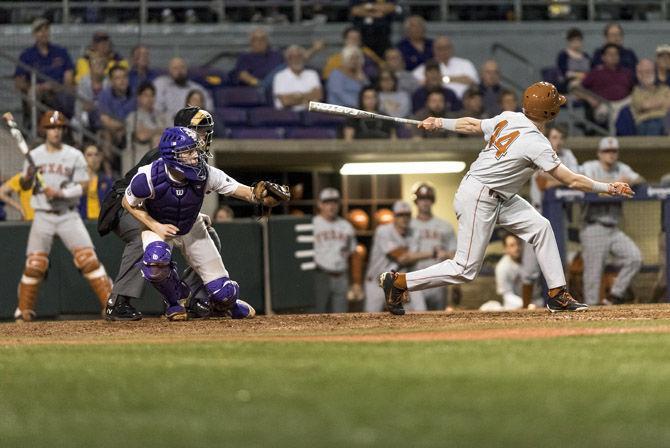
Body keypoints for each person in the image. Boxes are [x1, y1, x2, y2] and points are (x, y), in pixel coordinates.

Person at [378, 81, 635, 316]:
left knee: (541, 226)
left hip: (497, 195)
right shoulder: (538, 143)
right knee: (465, 269)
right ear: (550, 113)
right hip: (480, 196)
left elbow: (471, 124)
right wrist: (607, 187)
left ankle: (558, 294)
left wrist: (440, 121)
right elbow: (571, 180)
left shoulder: (509, 117)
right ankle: (399, 282)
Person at [121, 126, 287, 320]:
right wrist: (154, 225)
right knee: (155, 261)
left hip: (192, 225)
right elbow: (128, 202)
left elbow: (243, 191)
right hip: (158, 224)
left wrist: (262, 197)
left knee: (224, 293)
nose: (195, 156)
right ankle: (175, 301)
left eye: (194, 150)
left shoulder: (205, 173)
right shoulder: (148, 176)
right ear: (172, 156)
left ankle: (228, 304)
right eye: (188, 151)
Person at [100, 106, 223, 321]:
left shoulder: (194, 159)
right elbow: (148, 198)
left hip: (154, 209)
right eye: (200, 130)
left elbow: (180, 198)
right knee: (144, 234)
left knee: (206, 234)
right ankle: (118, 301)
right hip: (126, 205)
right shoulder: (167, 154)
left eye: (205, 130)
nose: (204, 135)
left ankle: (189, 297)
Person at [4, 110, 113, 322]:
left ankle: (110, 304)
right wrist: (27, 176)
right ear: (45, 130)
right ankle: (24, 311)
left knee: (88, 260)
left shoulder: (74, 155)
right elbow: (26, 185)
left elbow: (82, 186)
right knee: (35, 264)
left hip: (67, 214)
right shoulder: (34, 156)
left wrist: (60, 193)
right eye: (51, 128)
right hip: (43, 215)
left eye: (59, 127)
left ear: (63, 130)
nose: (55, 132)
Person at [579, 137, 644, 306]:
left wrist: (629, 181)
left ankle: (615, 295)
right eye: (607, 151)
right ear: (599, 153)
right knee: (593, 274)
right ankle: (591, 310)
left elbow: (640, 180)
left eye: (614, 151)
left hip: (613, 229)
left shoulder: (621, 168)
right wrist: (613, 186)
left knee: (634, 257)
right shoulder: (590, 166)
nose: (611, 154)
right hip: (593, 226)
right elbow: (579, 182)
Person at [521, 123, 580, 308]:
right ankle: (525, 307)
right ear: (548, 137)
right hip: (536, 213)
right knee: (529, 269)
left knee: (560, 262)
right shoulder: (539, 150)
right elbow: (541, 184)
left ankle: (561, 301)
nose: (558, 142)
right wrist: (564, 180)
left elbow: (576, 180)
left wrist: (557, 180)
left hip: (558, 214)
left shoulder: (567, 155)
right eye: (555, 137)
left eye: (561, 138)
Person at [364, 201, 431, 312]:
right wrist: (433, 253)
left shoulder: (414, 233)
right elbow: (403, 257)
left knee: (420, 310)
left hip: (399, 282)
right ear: (394, 217)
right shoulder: (383, 231)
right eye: (400, 215)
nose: (404, 218)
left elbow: (410, 260)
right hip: (377, 282)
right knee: (370, 317)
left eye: (407, 215)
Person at [312, 188, 363, 313]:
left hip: (341, 276)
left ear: (339, 204)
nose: (331, 206)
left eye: (334, 202)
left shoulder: (346, 226)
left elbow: (354, 254)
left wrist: (356, 282)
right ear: (320, 204)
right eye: (327, 202)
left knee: (340, 316)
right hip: (320, 275)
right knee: (317, 315)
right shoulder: (313, 224)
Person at [14, 18, 74, 125]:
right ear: (34, 34)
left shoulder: (61, 52)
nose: (43, 33)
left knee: (70, 94)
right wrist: (36, 87)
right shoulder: (27, 55)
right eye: (39, 31)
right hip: (39, 92)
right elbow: (19, 82)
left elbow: (68, 78)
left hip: (58, 91)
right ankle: (38, 129)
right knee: (33, 93)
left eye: (46, 30)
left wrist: (55, 87)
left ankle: (66, 129)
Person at [409, 183, 458, 310]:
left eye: (428, 199)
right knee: (415, 319)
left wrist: (457, 285)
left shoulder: (445, 226)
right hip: (416, 279)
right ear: (416, 201)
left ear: (432, 201)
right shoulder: (408, 226)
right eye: (421, 199)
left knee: (438, 319)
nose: (425, 203)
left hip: (439, 280)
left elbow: (456, 256)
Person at [579, 44, 634, 129]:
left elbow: (634, 90)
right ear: (603, 57)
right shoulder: (596, 73)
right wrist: (589, 99)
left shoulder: (626, 73)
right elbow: (577, 89)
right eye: (610, 54)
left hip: (623, 104)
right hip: (605, 104)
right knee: (616, 115)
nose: (613, 57)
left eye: (616, 54)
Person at [412, 36, 479, 99]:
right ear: (433, 49)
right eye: (440, 48)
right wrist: (460, 78)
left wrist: (442, 79)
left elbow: (473, 82)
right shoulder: (423, 68)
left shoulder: (465, 64)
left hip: (466, 102)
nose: (443, 51)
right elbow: (419, 84)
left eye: (447, 47)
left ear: (452, 48)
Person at [98, 64, 136, 171]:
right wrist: (123, 126)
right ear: (111, 81)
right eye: (117, 78)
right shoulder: (105, 95)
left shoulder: (134, 95)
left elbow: (137, 118)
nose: (122, 81)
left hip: (129, 131)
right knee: (106, 135)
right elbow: (105, 120)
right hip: (110, 132)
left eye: (124, 77)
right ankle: (109, 175)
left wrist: (125, 128)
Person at [125, 82, 170, 158]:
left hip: (160, 156)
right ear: (139, 98)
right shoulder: (133, 116)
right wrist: (159, 130)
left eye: (152, 95)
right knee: (157, 139)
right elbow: (142, 136)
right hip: (139, 156)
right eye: (146, 95)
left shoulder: (161, 116)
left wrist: (149, 131)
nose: (150, 99)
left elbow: (169, 132)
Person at [272, 45, 323, 112]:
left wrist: (295, 96)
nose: (296, 59)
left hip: (311, 112)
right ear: (288, 60)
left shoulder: (312, 74)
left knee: (334, 111)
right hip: (287, 114)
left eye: (299, 56)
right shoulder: (279, 76)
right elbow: (285, 101)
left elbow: (318, 95)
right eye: (293, 57)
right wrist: (308, 96)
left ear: (303, 58)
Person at [631, 59, 670, 136]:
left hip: (665, 120)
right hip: (646, 122)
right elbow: (644, 105)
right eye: (643, 72)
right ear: (638, 75)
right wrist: (662, 101)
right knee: (654, 125)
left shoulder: (665, 89)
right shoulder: (636, 91)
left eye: (650, 71)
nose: (647, 75)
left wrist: (653, 103)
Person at [73, 55, 109, 133]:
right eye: (95, 64)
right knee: (78, 120)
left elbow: (108, 104)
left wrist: (94, 105)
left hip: (103, 114)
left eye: (101, 64)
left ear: (105, 68)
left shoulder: (109, 83)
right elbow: (83, 104)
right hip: (84, 113)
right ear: (90, 67)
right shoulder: (83, 81)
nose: (98, 66)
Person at [79, 145, 113, 221]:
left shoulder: (106, 181)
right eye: (89, 155)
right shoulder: (76, 180)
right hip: (82, 220)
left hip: (100, 222)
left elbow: (110, 204)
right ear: (82, 158)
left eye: (96, 154)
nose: (93, 157)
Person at [493, 233, 524, 310]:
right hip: (514, 307)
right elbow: (506, 295)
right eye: (512, 245)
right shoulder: (502, 268)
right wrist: (526, 304)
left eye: (518, 244)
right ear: (505, 249)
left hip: (538, 303)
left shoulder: (529, 259)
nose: (516, 248)